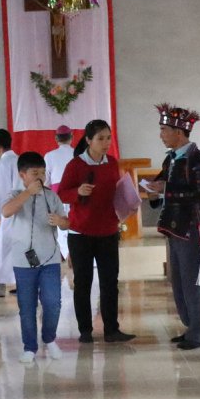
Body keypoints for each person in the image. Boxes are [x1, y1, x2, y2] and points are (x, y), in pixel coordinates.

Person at [57, 119, 138, 344]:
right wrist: (78, 192)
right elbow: (62, 193)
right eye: (101, 138)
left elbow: (117, 191)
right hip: (81, 233)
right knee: (83, 282)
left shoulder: (111, 163)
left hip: (108, 230)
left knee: (110, 281)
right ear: (88, 140)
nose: (106, 143)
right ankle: (85, 330)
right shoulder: (75, 165)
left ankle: (112, 329)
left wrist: (129, 202)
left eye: (108, 138)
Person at [148, 103, 200, 350]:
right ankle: (190, 327)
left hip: (192, 228)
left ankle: (198, 332)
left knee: (193, 282)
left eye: (164, 130)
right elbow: (162, 186)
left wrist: (165, 189)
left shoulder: (197, 158)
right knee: (178, 282)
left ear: (179, 132)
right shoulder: (171, 159)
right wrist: (153, 192)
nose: (161, 135)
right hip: (174, 228)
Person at [0, 151, 68, 363]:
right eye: (35, 173)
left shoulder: (51, 196)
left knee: (53, 302)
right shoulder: (15, 195)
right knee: (27, 306)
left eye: (43, 173)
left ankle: (50, 338)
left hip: (50, 259)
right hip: (24, 261)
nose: (40, 177)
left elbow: (66, 222)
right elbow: (6, 212)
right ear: (23, 175)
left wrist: (60, 221)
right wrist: (28, 193)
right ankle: (29, 347)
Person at [0, 128, 21, 298]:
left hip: (8, 211)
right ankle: (21, 283)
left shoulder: (3, 164)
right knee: (19, 248)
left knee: (3, 249)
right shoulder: (19, 160)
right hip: (21, 210)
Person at [43, 125, 75, 261]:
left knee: (61, 228)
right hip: (76, 195)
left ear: (56, 138)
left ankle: (67, 254)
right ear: (72, 137)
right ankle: (76, 254)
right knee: (76, 224)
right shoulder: (78, 153)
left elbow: (46, 181)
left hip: (58, 196)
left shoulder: (49, 156)